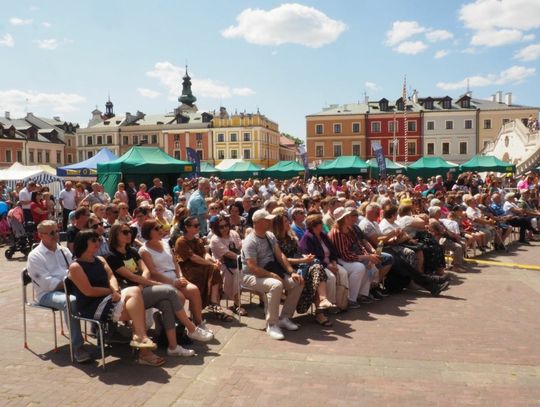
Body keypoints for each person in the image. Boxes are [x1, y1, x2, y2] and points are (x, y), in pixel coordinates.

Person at [106, 223, 212, 361]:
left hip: (142, 288)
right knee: (170, 291)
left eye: (130, 231)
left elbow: (146, 270)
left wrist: (143, 284)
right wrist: (147, 283)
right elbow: (130, 276)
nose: (129, 234)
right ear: (115, 235)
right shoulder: (111, 256)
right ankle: (191, 328)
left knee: (167, 303)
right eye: (125, 232)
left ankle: (173, 347)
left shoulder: (131, 251)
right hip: (129, 293)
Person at [68, 229, 161, 365]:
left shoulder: (100, 259)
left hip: (110, 297)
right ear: (82, 243)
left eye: (98, 239)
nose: (97, 242)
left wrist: (115, 289)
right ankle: (143, 348)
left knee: (135, 295)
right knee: (136, 306)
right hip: (93, 305)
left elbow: (111, 276)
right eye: (93, 240)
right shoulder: (76, 266)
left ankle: (141, 340)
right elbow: (89, 291)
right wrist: (111, 292)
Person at [26, 220, 90, 363]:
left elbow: (75, 268)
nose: (56, 235)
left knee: (95, 290)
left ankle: (105, 332)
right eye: (52, 233)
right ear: (40, 235)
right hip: (47, 294)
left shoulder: (63, 250)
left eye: (57, 231)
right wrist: (75, 281)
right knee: (71, 301)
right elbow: (48, 285)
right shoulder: (35, 256)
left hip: (69, 286)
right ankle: (78, 347)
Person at [138, 219, 213, 335]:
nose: (161, 230)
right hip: (161, 280)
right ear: (148, 232)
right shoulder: (144, 250)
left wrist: (181, 277)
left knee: (193, 290)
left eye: (161, 227)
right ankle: (176, 328)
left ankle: (199, 323)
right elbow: (153, 273)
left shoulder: (166, 243)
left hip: (174, 275)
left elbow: (175, 262)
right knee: (180, 297)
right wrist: (173, 282)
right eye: (157, 228)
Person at [241, 209, 304, 340]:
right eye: (267, 220)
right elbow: (252, 268)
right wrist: (271, 275)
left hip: (270, 271)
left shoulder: (269, 235)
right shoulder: (250, 241)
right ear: (258, 222)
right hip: (251, 276)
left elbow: (280, 255)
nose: (270, 221)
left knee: (297, 282)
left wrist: (292, 272)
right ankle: (272, 323)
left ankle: (285, 317)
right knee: (275, 285)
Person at [271, 210, 334, 326]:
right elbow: (283, 260)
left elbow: (297, 253)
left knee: (316, 268)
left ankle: (321, 306)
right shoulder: (275, 240)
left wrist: (305, 257)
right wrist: (303, 260)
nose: (289, 223)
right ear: (279, 225)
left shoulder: (290, 237)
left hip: (300, 265)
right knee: (316, 272)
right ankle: (321, 308)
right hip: (285, 269)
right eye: (285, 222)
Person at [175, 216, 233, 322]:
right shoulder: (181, 241)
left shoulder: (197, 240)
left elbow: (204, 254)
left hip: (200, 266)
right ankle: (209, 307)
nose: (198, 227)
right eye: (195, 225)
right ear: (187, 227)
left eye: (198, 225)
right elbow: (193, 257)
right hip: (187, 269)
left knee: (215, 269)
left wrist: (213, 261)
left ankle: (214, 303)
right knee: (208, 271)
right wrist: (209, 264)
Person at [299, 214, 350, 312]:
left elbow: (332, 250)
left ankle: (341, 302)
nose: (322, 225)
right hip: (319, 264)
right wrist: (328, 266)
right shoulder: (307, 238)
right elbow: (312, 257)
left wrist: (334, 262)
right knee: (330, 277)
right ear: (313, 225)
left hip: (330, 262)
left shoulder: (323, 235)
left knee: (343, 273)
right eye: (319, 223)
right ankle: (330, 304)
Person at [208, 215, 246, 316]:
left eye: (226, 225)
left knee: (247, 270)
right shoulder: (215, 239)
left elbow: (241, 246)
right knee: (238, 272)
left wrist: (243, 257)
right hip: (222, 264)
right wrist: (243, 258)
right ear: (216, 228)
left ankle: (263, 299)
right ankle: (237, 304)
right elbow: (228, 254)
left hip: (237, 262)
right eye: (221, 227)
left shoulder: (233, 233)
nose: (225, 228)